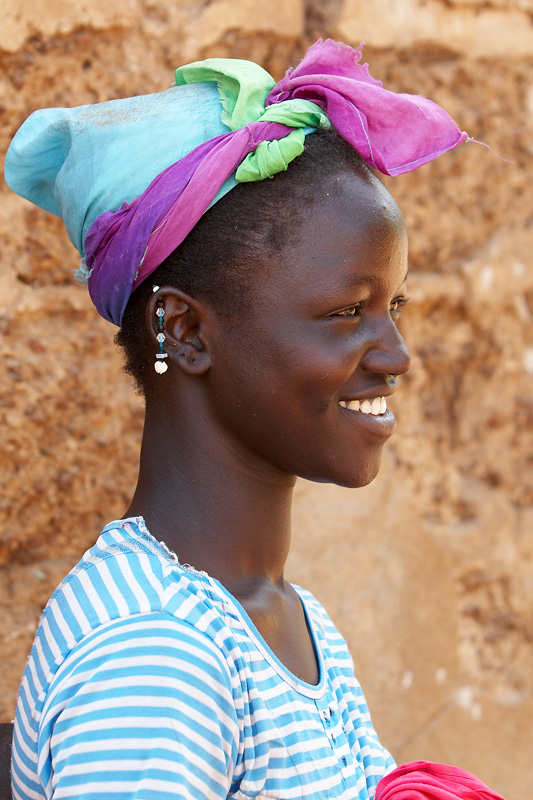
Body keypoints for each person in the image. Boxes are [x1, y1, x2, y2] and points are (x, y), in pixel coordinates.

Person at [4, 38, 502, 800]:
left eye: (391, 307)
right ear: (185, 331)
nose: (396, 355)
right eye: (344, 312)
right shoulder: (154, 655)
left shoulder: (289, 623)